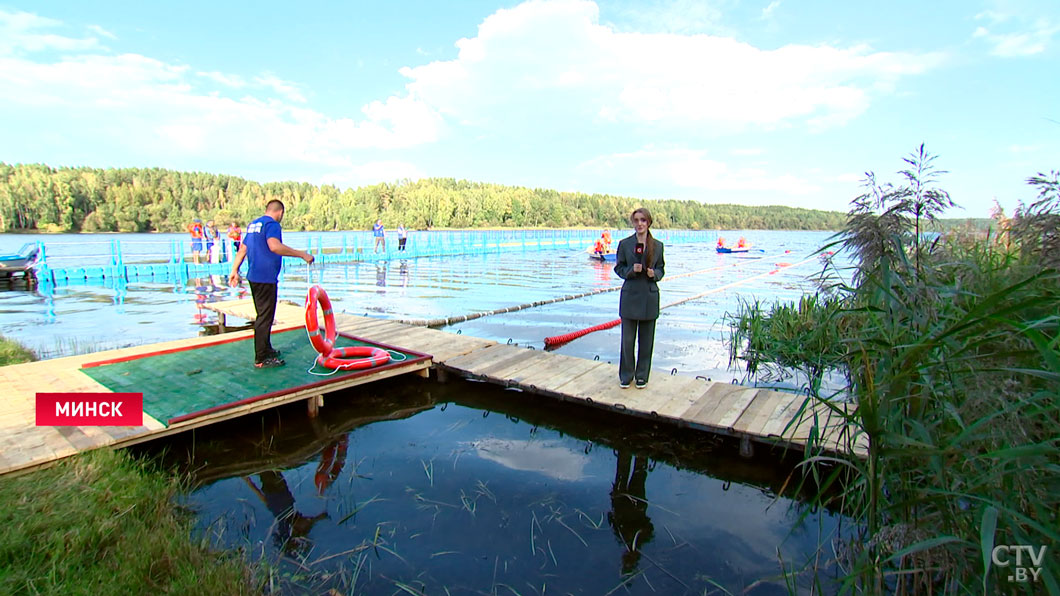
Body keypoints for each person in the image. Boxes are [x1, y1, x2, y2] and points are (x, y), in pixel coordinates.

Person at [228, 200, 314, 368]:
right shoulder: (272, 224)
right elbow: (274, 246)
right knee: (264, 317)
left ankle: (267, 349)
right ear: (280, 212)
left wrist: (234, 271)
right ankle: (261, 358)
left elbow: (242, 250)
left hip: (253, 275)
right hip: (265, 277)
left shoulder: (253, 225)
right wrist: (301, 254)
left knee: (264, 315)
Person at [614, 207, 665, 388]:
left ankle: (642, 375)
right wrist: (630, 271)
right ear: (633, 223)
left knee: (646, 341)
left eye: (643, 220)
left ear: (648, 222)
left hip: (649, 298)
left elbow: (662, 269)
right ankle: (626, 375)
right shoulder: (625, 244)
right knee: (627, 341)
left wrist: (655, 274)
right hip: (630, 296)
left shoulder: (658, 246)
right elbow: (618, 268)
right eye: (636, 220)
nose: (639, 224)